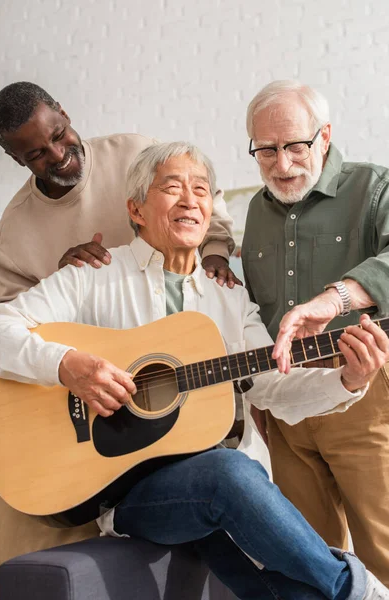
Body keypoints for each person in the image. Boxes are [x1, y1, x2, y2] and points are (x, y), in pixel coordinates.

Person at [0, 142, 388, 599]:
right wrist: (65, 365)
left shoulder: (229, 296)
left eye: (201, 190)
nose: (190, 200)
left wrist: (348, 380)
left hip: (213, 493)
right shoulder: (93, 275)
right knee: (228, 472)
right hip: (127, 493)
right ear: (135, 209)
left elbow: (271, 385)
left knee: (279, 578)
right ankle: (360, 591)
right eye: (172, 188)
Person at [242, 79, 389, 586]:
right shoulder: (256, 211)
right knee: (308, 554)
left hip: (364, 385)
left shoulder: (374, 186)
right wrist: (260, 399)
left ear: (324, 136)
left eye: (294, 147)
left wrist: (337, 299)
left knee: (382, 548)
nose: (281, 165)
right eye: (266, 150)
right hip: (285, 396)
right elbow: (259, 307)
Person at [0, 81, 237, 306]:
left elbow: (204, 198)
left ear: (64, 114)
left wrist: (215, 253)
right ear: (16, 158)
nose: (57, 155)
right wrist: (61, 283)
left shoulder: (137, 154)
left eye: (59, 135)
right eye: (36, 154)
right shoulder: (12, 237)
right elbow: (5, 325)